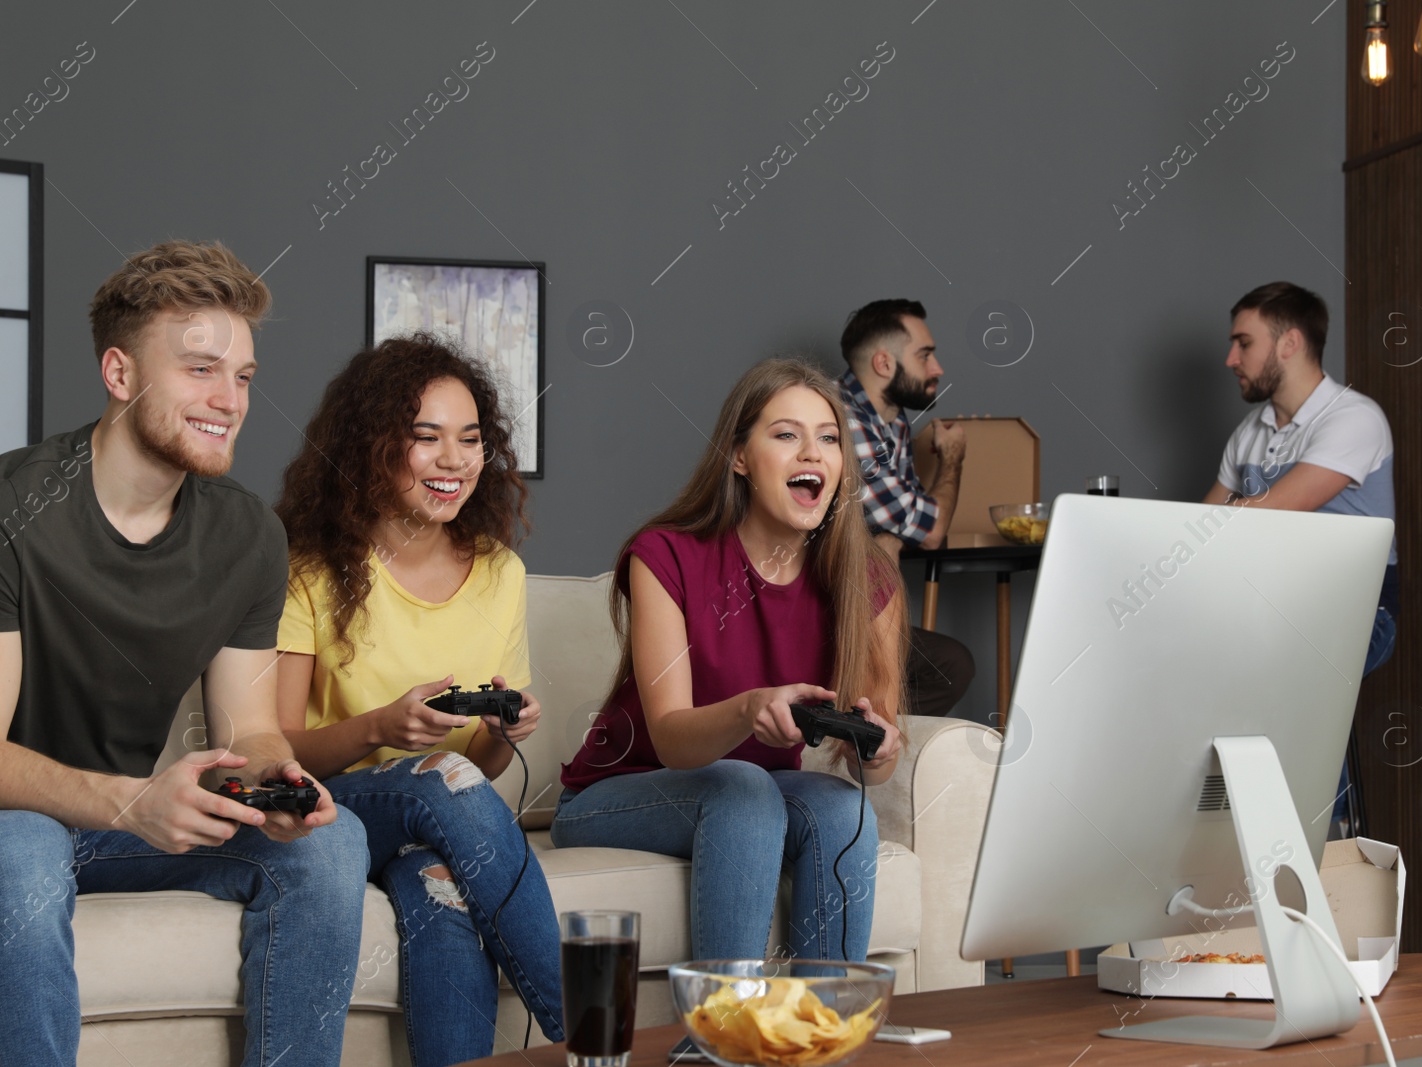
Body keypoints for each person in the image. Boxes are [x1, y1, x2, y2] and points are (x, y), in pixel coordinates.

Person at [0, 240, 368, 1067]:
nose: (230, 399)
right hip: (18, 825)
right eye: (201, 369)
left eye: (241, 376)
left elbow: (253, 728)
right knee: (21, 846)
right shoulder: (14, 509)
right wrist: (132, 803)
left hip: (124, 824)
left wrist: (278, 782)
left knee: (331, 842)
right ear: (121, 375)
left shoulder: (247, 534)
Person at [551, 357, 907, 962]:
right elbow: (672, 742)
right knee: (743, 788)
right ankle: (721, 1041)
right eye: (786, 435)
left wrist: (881, 748)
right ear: (739, 456)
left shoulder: (868, 579)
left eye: (828, 439)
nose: (812, 455)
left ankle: (823, 1036)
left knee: (844, 810)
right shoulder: (665, 555)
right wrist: (747, 710)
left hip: (757, 794)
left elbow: (870, 770)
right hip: (621, 793)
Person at [273, 333, 564, 1066]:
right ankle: (589, 1039)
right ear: (372, 445)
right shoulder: (309, 569)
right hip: (333, 812)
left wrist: (509, 726)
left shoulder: (501, 572)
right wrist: (383, 725)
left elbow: (487, 767)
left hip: (429, 823)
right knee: (444, 774)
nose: (455, 460)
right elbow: (272, 746)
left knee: (438, 888)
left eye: (470, 439)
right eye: (426, 437)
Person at [1201, 281, 1398, 828]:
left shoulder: (1353, 418)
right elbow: (1197, 533)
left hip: (1359, 611)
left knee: (1289, 674)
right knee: (1182, 665)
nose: (1230, 359)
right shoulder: (1249, 433)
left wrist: (1231, 512)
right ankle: (1227, 846)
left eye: (1244, 343)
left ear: (1288, 343)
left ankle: (1322, 847)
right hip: (1271, 608)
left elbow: (1277, 508)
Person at [836, 299, 976, 717]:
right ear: (883, 363)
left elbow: (910, 520)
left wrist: (890, 533)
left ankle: (874, 745)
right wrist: (951, 458)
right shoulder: (844, 421)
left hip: (873, 607)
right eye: (925, 355)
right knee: (944, 666)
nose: (938, 369)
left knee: (950, 666)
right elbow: (930, 530)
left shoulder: (890, 422)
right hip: (831, 613)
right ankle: (855, 743)